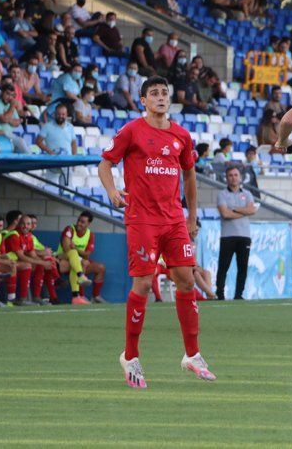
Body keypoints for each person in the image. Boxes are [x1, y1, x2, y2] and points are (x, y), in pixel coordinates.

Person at [99, 76, 213, 387]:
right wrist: (111, 191)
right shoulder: (132, 131)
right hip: (142, 219)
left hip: (174, 219)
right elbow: (105, 164)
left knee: (187, 280)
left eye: (164, 93)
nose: (161, 97)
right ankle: (131, 356)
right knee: (144, 285)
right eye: (154, 93)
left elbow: (189, 175)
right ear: (143, 101)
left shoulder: (181, 135)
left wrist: (190, 216)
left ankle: (192, 355)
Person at [215, 166, 256, 300]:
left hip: (244, 236)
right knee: (223, 266)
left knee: (242, 267)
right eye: (230, 175)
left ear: (240, 177)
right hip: (228, 236)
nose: (233, 177)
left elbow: (252, 211)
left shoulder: (247, 194)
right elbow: (225, 214)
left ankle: (239, 295)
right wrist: (244, 211)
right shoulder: (222, 194)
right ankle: (220, 294)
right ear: (226, 178)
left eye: (236, 175)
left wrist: (234, 210)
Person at [56, 211, 106, 304]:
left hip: (77, 260)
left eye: (82, 222)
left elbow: (87, 254)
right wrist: (81, 256)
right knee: (77, 259)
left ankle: (95, 296)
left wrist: (76, 249)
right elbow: (67, 249)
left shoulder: (90, 234)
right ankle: (80, 295)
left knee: (100, 267)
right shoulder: (69, 229)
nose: (79, 223)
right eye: (78, 220)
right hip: (62, 258)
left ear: (88, 223)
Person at [0, 83, 30, 153]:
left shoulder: (9, 104)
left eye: (12, 95)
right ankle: (31, 162)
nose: (9, 97)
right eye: (7, 94)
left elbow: (18, 122)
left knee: (25, 145)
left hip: (7, 136)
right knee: (21, 142)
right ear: (1, 92)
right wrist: (12, 107)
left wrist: (8, 119)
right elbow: (4, 120)